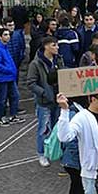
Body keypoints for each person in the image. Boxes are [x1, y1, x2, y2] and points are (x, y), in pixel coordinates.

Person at [27, 36, 64, 166]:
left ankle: (56, 151)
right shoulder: (36, 63)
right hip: (44, 102)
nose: (57, 47)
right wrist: (44, 93)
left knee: (57, 127)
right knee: (43, 129)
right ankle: (41, 154)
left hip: (58, 99)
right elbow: (31, 83)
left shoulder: (58, 59)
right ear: (46, 46)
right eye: (54, 45)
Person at [0, 28, 24, 126]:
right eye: (5, 35)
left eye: (8, 35)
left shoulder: (4, 47)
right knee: (2, 98)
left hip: (9, 76)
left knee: (15, 96)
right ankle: (0, 117)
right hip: (3, 77)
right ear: (0, 36)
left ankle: (13, 115)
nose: (8, 37)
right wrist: (9, 70)